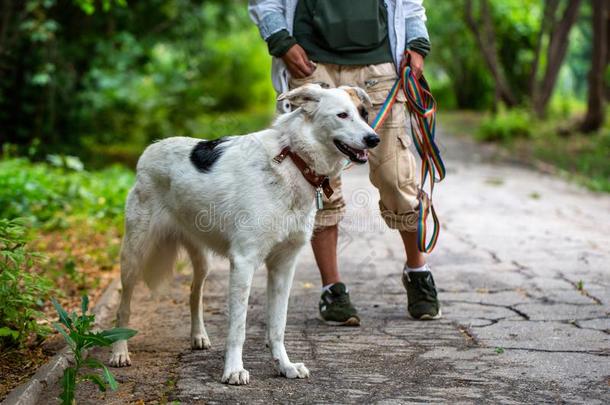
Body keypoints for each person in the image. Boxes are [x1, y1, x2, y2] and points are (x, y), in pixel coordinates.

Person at [248, 0, 440, 325]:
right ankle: (332, 289)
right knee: (319, 184)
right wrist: (281, 40)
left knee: (397, 179)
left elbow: (410, 5)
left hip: (377, 69)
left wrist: (417, 44)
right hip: (311, 66)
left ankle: (417, 270)